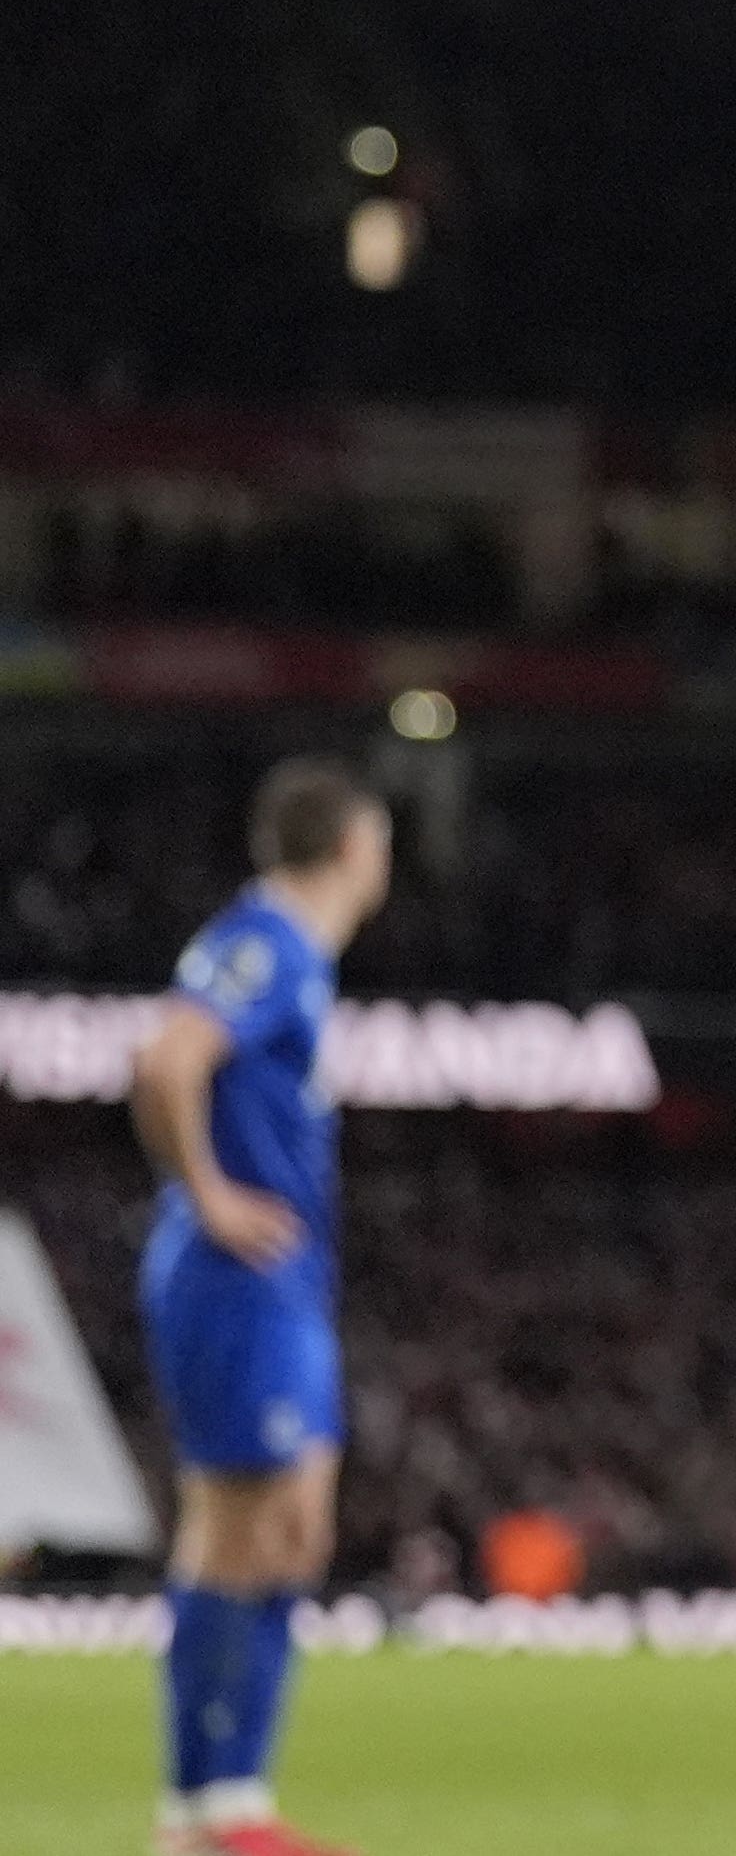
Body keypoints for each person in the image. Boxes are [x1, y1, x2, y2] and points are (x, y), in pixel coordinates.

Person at [127, 755, 392, 1856]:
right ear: (353, 846)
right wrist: (210, 1193)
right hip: (238, 1275)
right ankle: (211, 1807)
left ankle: (221, 1804)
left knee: (287, 1527)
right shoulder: (269, 943)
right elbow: (166, 1059)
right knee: (250, 1525)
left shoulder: (292, 955)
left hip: (274, 1277)